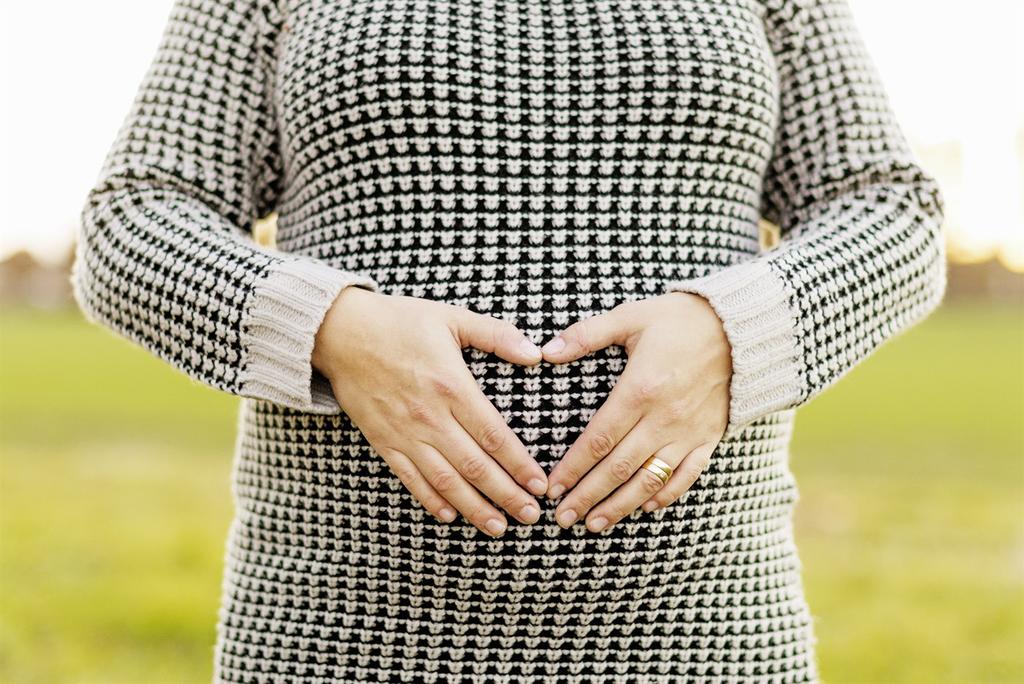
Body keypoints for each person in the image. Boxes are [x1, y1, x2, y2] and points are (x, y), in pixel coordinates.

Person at [70, 0, 947, 680]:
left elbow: (888, 206)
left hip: (708, 637)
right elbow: (135, 216)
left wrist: (732, 329)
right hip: (336, 639)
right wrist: (332, 326)